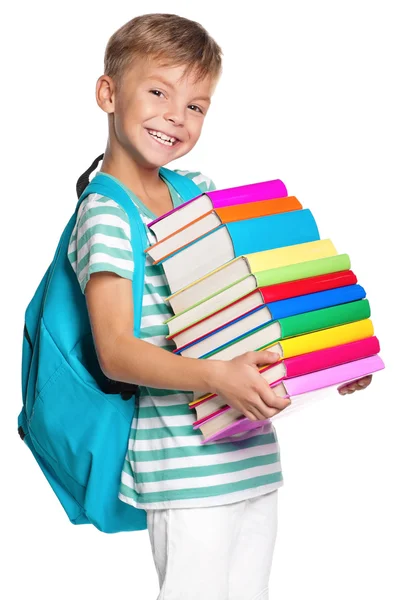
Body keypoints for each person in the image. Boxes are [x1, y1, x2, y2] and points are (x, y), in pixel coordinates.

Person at [67, 13, 372, 600]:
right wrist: (215, 376)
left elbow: (245, 306)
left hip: (250, 453)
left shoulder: (197, 191)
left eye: (197, 105)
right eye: (158, 92)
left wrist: (328, 358)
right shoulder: (106, 215)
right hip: (184, 468)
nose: (176, 117)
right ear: (108, 93)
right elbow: (116, 352)